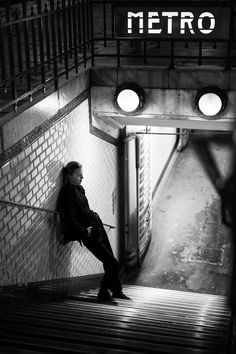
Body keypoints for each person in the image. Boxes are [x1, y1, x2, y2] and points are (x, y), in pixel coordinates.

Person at [59, 161, 130, 301]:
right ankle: (103, 292)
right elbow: (69, 217)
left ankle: (116, 290)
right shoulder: (66, 192)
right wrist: (85, 231)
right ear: (69, 175)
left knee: (110, 258)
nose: (82, 178)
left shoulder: (80, 189)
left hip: (97, 227)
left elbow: (85, 210)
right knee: (112, 263)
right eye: (79, 175)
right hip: (89, 233)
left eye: (82, 175)